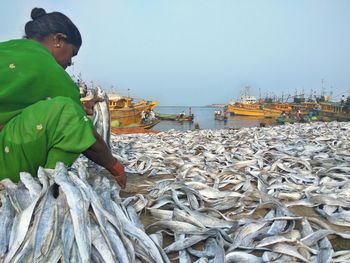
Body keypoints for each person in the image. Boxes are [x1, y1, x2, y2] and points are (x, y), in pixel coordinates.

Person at [0, 8, 126, 188]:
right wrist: (114, 165)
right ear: (58, 40)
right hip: (4, 160)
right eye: (72, 53)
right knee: (68, 112)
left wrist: (84, 106)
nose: (70, 62)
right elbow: (73, 122)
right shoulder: (48, 68)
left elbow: (25, 105)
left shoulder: (10, 49)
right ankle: (50, 191)